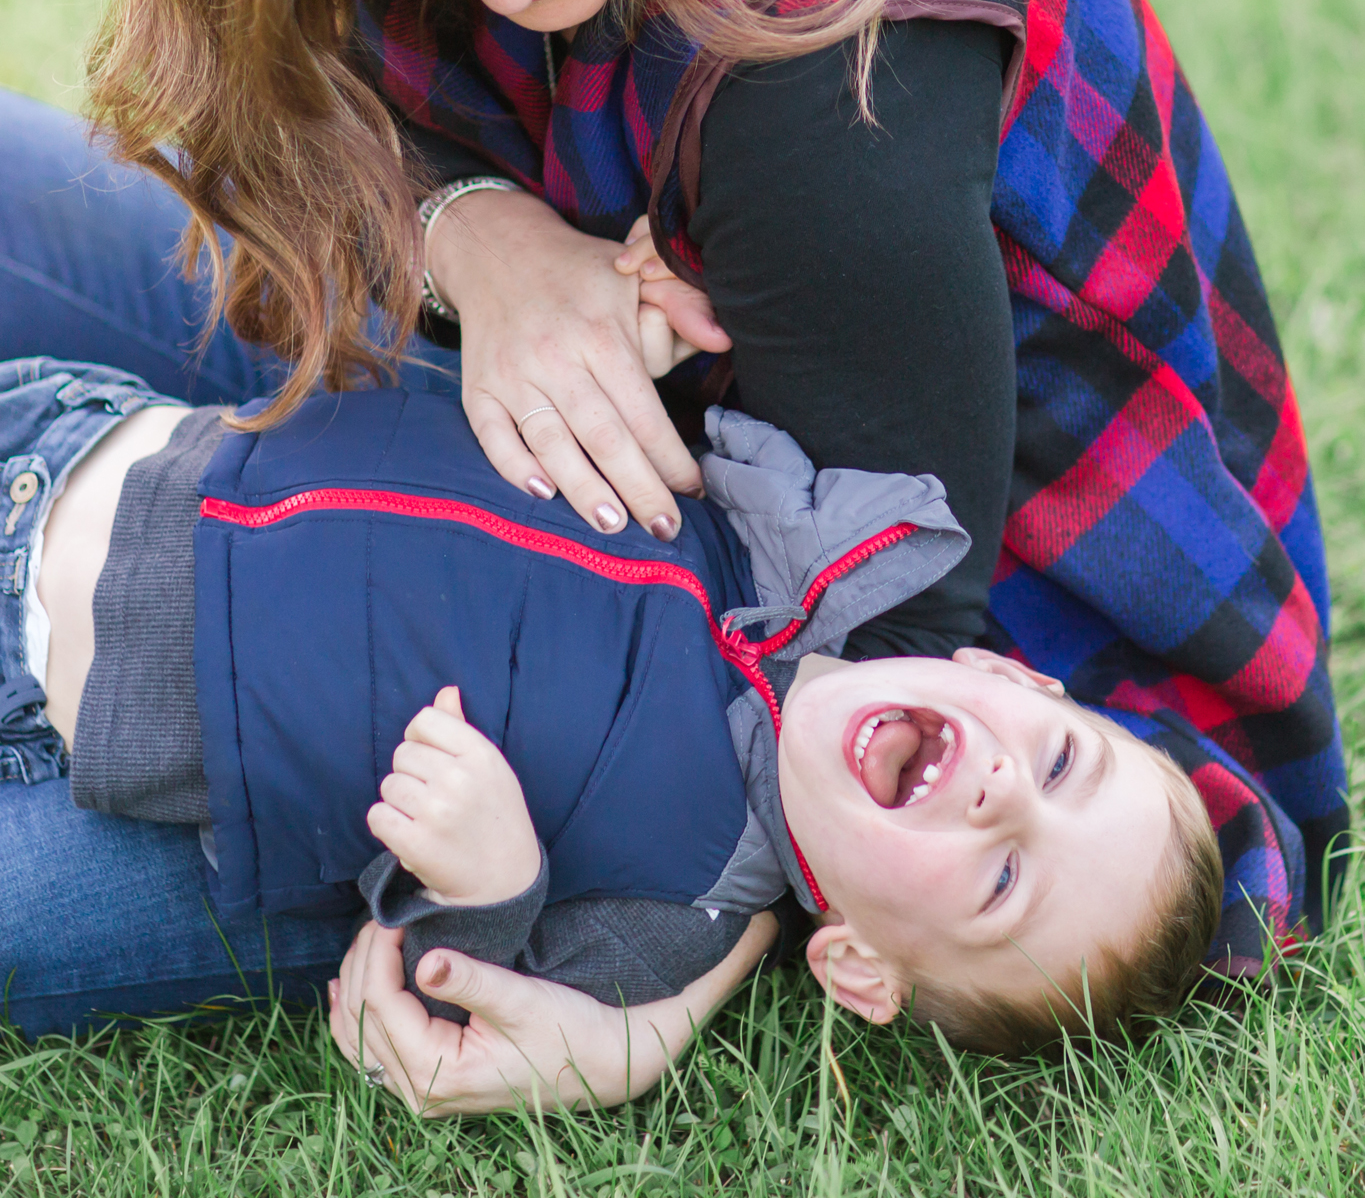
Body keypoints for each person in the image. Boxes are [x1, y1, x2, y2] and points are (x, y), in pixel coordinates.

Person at [0, 0, 1345, 1106]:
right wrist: (476, 235)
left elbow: (863, 659)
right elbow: (275, 133)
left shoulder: (834, 72)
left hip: (826, 641)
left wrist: (644, 987)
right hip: (595, 443)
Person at [3, 354, 1220, 1097]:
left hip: (62, 697)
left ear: (859, 965)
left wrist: (489, 882)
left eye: (1005, 878)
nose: (1006, 791)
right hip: (77, 433)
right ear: (1008, 674)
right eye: (1062, 760)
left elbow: (460, 993)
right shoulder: (808, 525)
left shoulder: (681, 914)